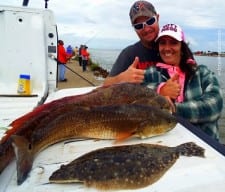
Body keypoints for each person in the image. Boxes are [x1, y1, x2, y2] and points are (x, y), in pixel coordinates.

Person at [144, 23, 223, 140]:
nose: (167, 48)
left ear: (182, 47)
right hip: (165, 144)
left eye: (173, 42)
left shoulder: (202, 73)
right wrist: (160, 90)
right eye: (162, 43)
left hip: (206, 146)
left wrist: (173, 109)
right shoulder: (150, 73)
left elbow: (215, 106)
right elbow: (134, 96)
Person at [103, 0, 159, 86]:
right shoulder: (129, 54)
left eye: (150, 21)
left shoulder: (174, 48)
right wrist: (121, 78)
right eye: (139, 26)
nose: (147, 29)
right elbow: (105, 85)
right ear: (134, 28)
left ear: (157, 18)